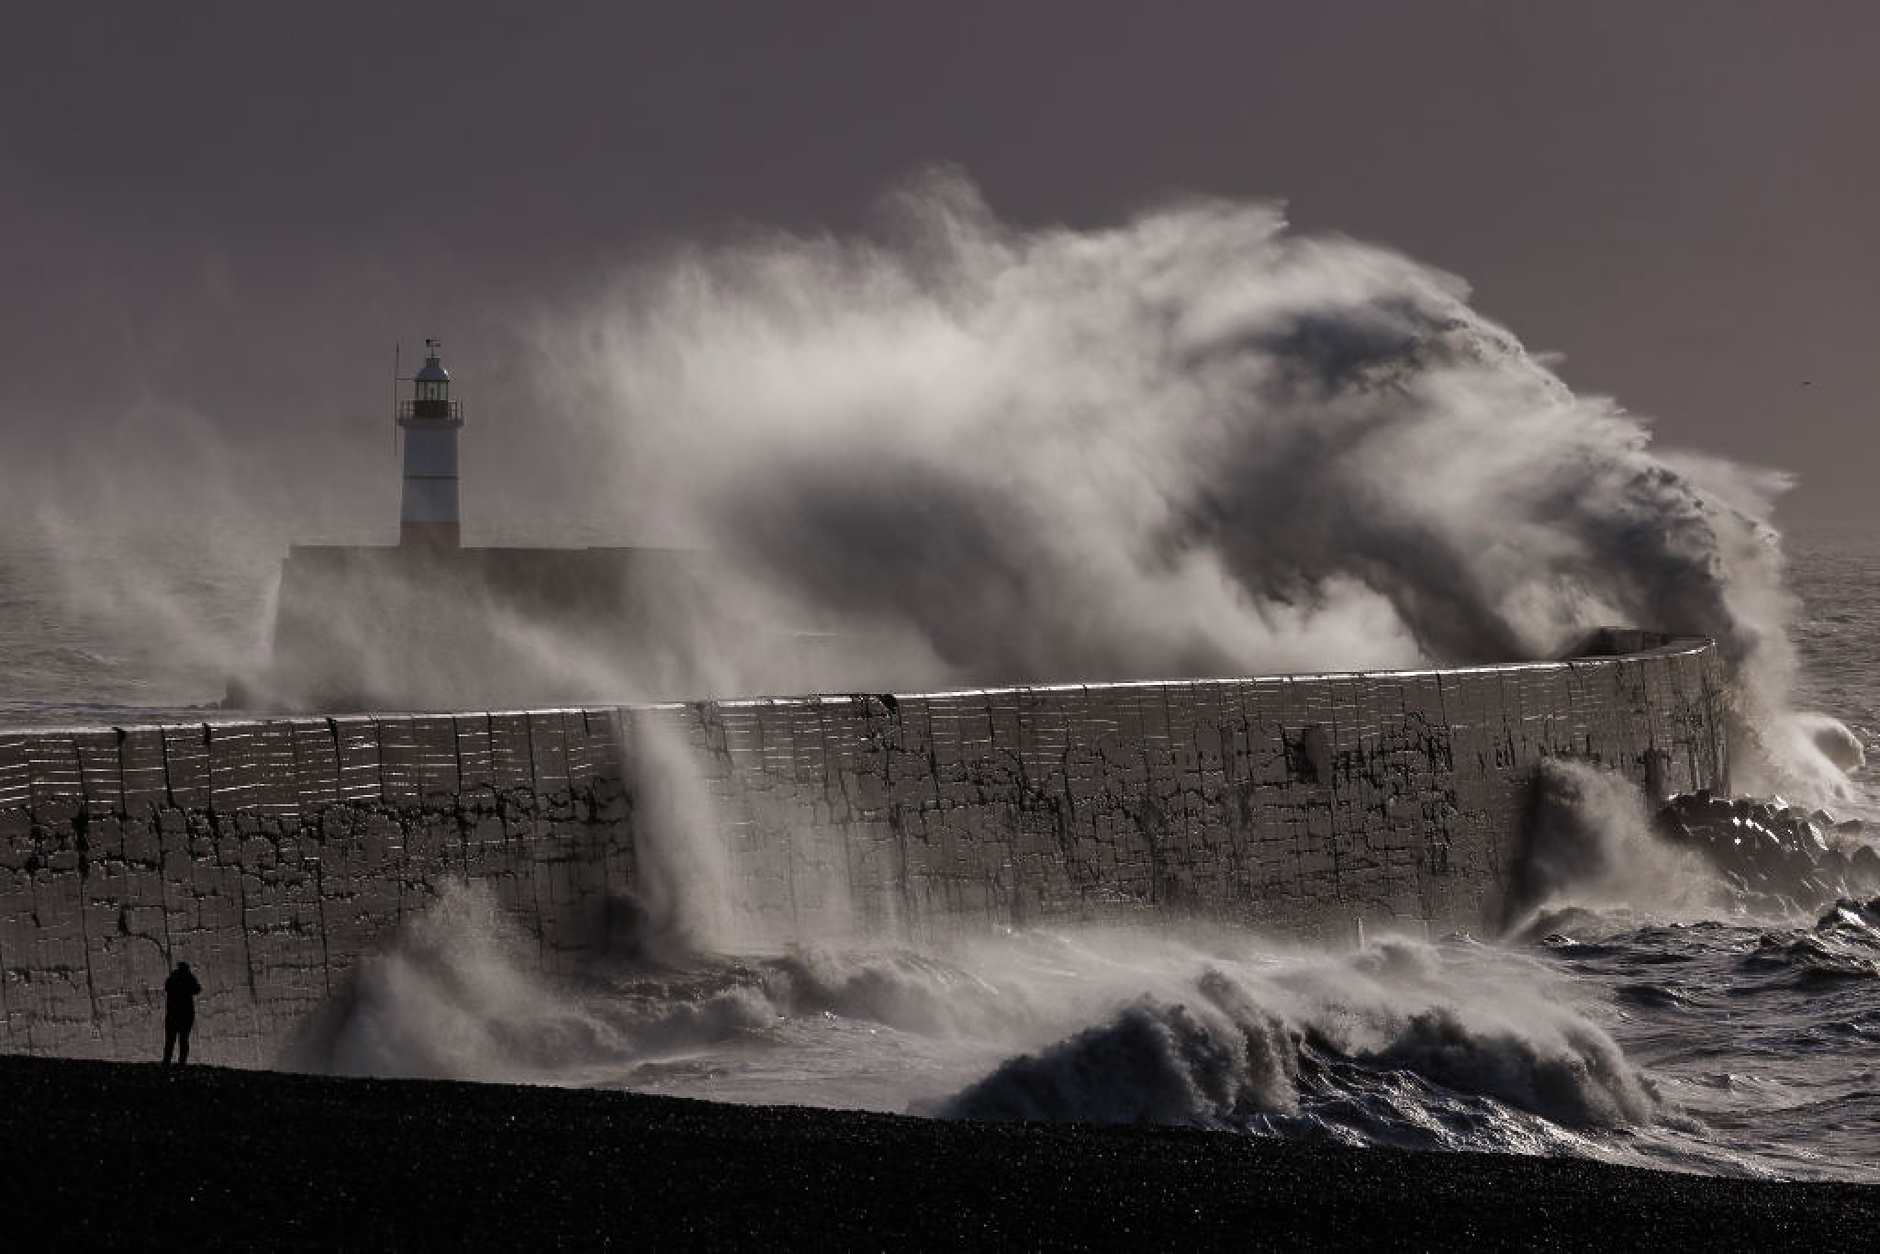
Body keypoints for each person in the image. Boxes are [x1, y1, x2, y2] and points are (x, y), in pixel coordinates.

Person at [163, 961, 201, 1066]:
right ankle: (181, 1062)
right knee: (183, 1039)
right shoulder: (189, 977)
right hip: (186, 1014)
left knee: (170, 1040)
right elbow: (197, 989)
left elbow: (166, 987)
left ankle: (167, 1062)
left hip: (173, 1014)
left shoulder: (173, 976)